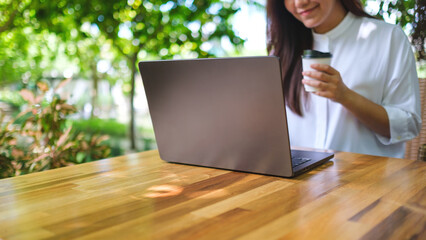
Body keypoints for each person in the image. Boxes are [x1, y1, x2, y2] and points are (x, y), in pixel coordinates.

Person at [266, 0, 421, 158]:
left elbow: (408, 125)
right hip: (299, 179)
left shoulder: (388, 38)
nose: (300, 2)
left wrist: (345, 96)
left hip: (368, 177)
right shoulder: (282, 52)